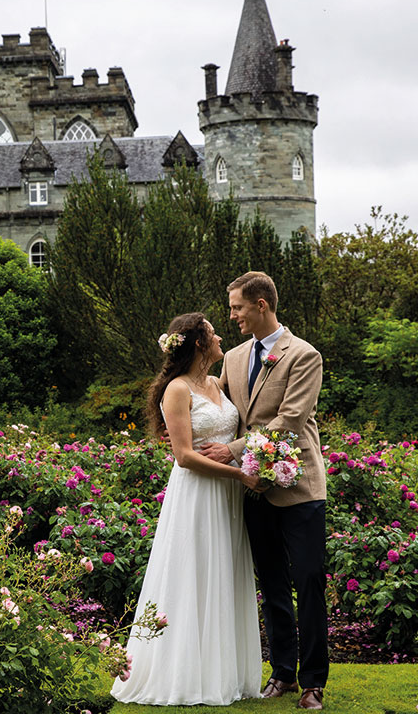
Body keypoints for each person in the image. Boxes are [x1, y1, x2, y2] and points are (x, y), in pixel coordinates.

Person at [111, 312, 263, 706]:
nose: (219, 337)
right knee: (194, 575)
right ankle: (183, 674)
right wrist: (239, 476)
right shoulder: (176, 390)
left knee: (222, 575)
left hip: (227, 499)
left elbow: (231, 425)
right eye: (213, 333)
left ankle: (222, 672)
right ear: (199, 343)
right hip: (199, 493)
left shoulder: (215, 382)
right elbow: (183, 456)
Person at [198, 271, 329, 710]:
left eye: (236, 307)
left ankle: (314, 682)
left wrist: (230, 449)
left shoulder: (304, 355)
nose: (231, 315)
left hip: (299, 487)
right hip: (253, 488)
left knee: (308, 581)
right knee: (272, 584)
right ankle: (283, 675)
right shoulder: (233, 358)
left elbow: (289, 422)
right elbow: (216, 402)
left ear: (260, 305)